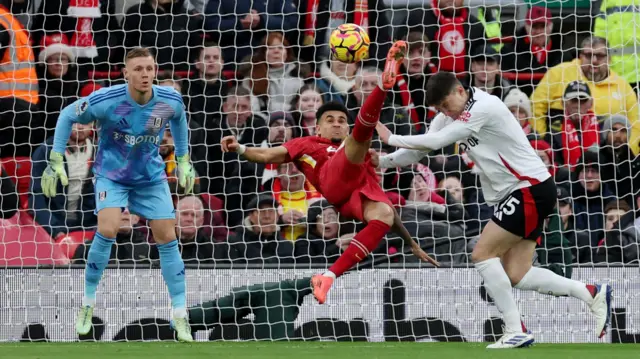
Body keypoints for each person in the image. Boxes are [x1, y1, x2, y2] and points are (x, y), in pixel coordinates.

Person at [372, 71, 612, 349]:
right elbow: (419, 150)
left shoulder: (485, 106)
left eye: (445, 105)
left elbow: (436, 142)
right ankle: (592, 293)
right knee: (516, 274)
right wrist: (382, 162)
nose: (443, 112)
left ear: (460, 91)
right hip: (522, 193)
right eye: (438, 109)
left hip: (529, 188)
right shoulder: (448, 116)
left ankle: (515, 330)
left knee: (481, 253)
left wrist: (390, 137)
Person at [220, 41, 438, 304]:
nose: (336, 124)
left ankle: (328, 277)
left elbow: (391, 214)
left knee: (383, 213)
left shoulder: (362, 155)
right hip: (332, 181)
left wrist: (411, 242)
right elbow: (267, 155)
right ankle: (384, 83)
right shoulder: (306, 144)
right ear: (318, 128)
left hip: (355, 195)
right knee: (361, 137)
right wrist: (241, 148)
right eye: (330, 120)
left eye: (341, 121)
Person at [40, 47, 196, 342]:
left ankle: (179, 313)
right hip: (112, 176)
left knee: (167, 236)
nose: (145, 74)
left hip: (150, 178)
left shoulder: (168, 101)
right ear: (126, 73)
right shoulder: (107, 101)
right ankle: (87, 304)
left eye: (149, 68)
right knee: (108, 228)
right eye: (138, 69)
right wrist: (56, 158)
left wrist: (185, 159)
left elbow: (179, 122)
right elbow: (65, 116)